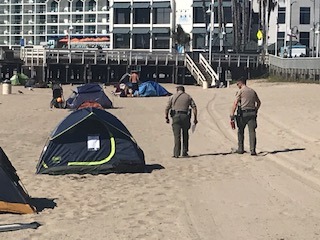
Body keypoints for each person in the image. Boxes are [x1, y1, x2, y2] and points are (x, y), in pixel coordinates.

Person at [230, 77, 261, 155]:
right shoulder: (252, 91)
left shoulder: (241, 91)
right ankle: (253, 150)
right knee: (252, 132)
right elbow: (259, 102)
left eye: (237, 84)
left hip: (243, 113)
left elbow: (235, 103)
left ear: (241, 83)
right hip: (252, 113)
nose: (237, 85)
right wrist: (256, 109)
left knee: (240, 131)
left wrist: (232, 114)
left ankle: (240, 148)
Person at [165, 86, 198, 158]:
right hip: (185, 116)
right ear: (183, 90)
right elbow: (194, 107)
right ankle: (184, 152)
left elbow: (167, 107)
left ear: (177, 90)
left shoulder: (173, 97)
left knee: (177, 136)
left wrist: (166, 117)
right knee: (185, 134)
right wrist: (195, 118)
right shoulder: (188, 97)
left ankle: (176, 153)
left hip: (175, 116)